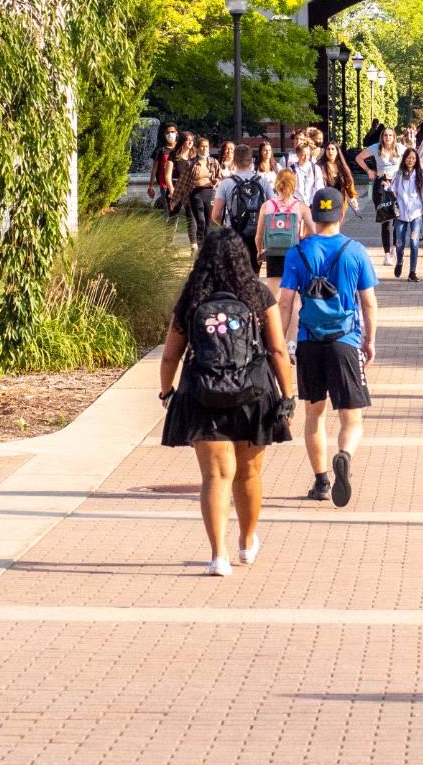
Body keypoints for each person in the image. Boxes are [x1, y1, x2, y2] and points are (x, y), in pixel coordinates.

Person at [158, 228, 295, 575]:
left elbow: (170, 356)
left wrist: (167, 392)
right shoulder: (257, 294)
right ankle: (247, 543)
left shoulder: (191, 297)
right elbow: (278, 349)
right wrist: (288, 397)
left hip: (203, 392)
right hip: (253, 392)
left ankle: (218, 555)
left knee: (216, 476)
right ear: (242, 258)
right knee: (248, 474)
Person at [279, 187, 379, 506]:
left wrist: (282, 342)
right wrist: (369, 340)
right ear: (341, 212)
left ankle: (321, 481)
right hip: (344, 342)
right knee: (352, 419)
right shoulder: (355, 251)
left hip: (309, 341)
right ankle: (345, 455)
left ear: (314, 215)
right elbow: (369, 303)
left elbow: (285, 303)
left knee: (314, 415)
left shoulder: (298, 252)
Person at [211, 144, 268, 269]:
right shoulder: (262, 182)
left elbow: (215, 214)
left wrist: (226, 224)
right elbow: (273, 207)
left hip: (234, 233)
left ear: (234, 160)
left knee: (235, 273)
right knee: (253, 276)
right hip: (257, 234)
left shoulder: (226, 183)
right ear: (251, 160)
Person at [356, 126, 404, 267]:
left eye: (390, 135)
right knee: (386, 220)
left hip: (397, 185)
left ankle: (395, 248)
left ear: (394, 137)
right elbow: (359, 158)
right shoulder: (376, 148)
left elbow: (412, 158)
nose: (388, 138)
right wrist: (369, 171)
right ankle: (387, 254)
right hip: (381, 185)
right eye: (385, 135)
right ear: (382, 137)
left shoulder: (400, 148)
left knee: (398, 219)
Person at [256, 167, 313, 280]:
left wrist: (259, 251)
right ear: (294, 185)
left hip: (273, 252)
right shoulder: (301, 206)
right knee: (293, 290)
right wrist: (302, 239)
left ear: (277, 183)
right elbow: (313, 231)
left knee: (274, 289)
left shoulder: (267, 206)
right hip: (293, 251)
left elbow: (259, 235)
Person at [390, 146, 423, 282]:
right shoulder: (398, 174)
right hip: (400, 214)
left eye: (413, 158)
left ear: (416, 160)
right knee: (399, 242)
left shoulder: (419, 174)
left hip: (416, 214)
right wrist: (387, 187)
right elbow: (392, 189)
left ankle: (412, 271)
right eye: (408, 157)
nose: (411, 160)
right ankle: (400, 261)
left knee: (414, 242)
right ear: (404, 159)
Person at [175, 138, 222, 248]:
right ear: (197, 148)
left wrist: (216, 180)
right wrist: (175, 198)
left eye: (206, 146)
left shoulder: (214, 162)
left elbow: (219, 176)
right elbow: (182, 182)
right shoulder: (191, 163)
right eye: (202, 146)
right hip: (196, 193)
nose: (204, 148)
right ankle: (200, 247)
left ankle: (208, 246)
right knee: (201, 221)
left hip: (210, 193)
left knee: (209, 222)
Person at [153, 124, 181, 218]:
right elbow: (155, 169)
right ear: (164, 134)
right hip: (164, 185)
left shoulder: (180, 149)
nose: (170, 134)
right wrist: (150, 186)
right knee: (168, 210)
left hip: (179, 184)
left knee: (177, 210)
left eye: (172, 132)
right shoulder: (161, 150)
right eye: (168, 132)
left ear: (177, 133)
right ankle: (167, 230)